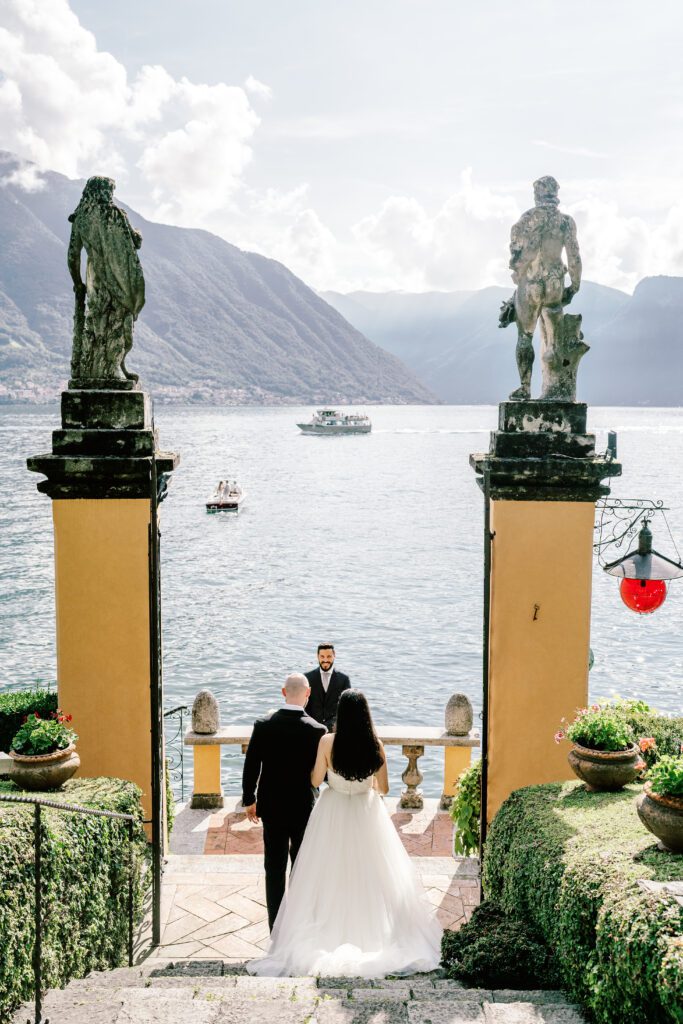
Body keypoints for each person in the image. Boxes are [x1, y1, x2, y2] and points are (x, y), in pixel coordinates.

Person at [247, 689, 442, 978]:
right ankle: (371, 932)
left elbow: (315, 779)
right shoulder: (376, 743)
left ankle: (327, 930)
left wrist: (335, 779)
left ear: (341, 713)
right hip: (366, 813)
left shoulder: (327, 741)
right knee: (372, 875)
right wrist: (364, 785)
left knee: (327, 873)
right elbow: (385, 788)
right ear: (366, 714)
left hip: (333, 810)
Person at [242, 673, 326, 930]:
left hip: (273, 807)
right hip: (303, 807)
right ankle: (300, 927)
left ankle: (275, 928)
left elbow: (251, 765)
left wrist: (249, 799)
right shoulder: (317, 730)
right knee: (301, 867)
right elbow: (320, 775)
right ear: (308, 693)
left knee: (274, 868)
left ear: (283, 692)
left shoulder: (263, 725)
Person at [498, 175, 582, 400]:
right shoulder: (565, 222)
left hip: (531, 282)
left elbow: (515, 255)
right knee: (552, 340)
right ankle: (557, 391)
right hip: (555, 281)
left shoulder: (526, 220)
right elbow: (574, 256)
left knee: (526, 336)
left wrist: (518, 275)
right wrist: (574, 285)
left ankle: (525, 388)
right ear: (556, 195)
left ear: (537, 195)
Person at [304, 643, 351, 731]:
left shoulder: (344, 679)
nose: (325, 660)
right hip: (311, 729)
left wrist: (331, 725)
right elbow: (304, 705)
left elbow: (346, 708)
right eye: (322, 656)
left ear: (334, 656)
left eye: (329, 656)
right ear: (317, 656)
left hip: (335, 730)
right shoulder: (307, 678)